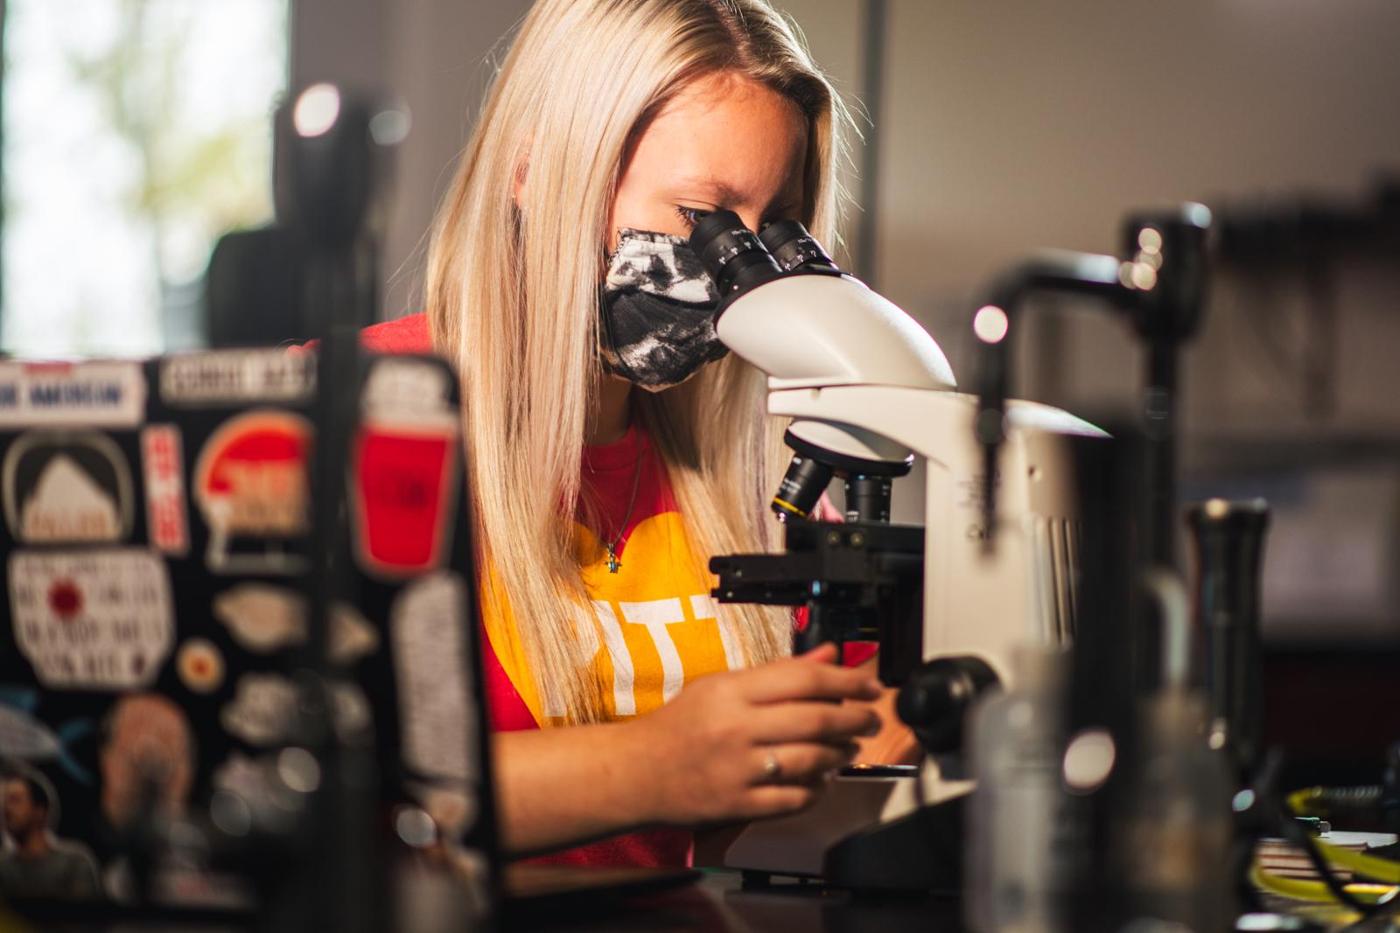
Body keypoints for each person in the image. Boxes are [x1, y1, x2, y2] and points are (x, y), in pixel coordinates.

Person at [365, 0, 916, 866]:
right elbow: (320, 797)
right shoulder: (366, 424)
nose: (731, 269)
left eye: (768, 229)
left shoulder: (754, 476)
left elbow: (873, 708)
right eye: (702, 211)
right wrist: (654, 768)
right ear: (533, 167)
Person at [0, 772, 101, 899]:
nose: (6, 810)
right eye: (5, 803)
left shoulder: (74, 864)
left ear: (39, 811)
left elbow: (86, 914)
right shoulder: (3, 868)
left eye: (15, 801)